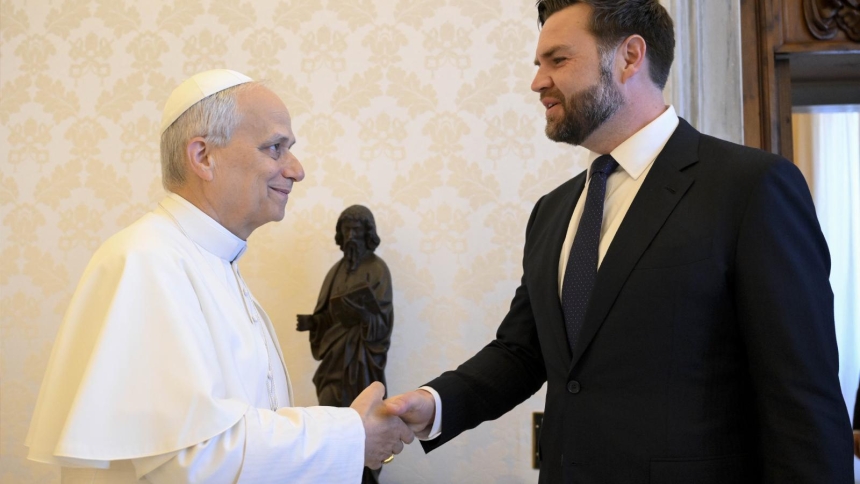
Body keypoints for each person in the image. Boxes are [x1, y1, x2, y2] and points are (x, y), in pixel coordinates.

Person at [386, 1, 853, 483]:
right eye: (538, 64)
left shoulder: (751, 187)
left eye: (558, 60)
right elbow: (523, 351)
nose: (537, 81)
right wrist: (435, 403)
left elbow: (801, 399)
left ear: (630, 57)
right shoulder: (552, 211)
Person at [25, 69, 412, 483]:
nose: (296, 170)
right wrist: (350, 436)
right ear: (203, 157)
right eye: (275, 148)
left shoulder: (211, 261)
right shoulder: (147, 261)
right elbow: (193, 460)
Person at [297, 204, 394, 484]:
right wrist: (313, 323)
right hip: (334, 364)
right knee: (330, 420)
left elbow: (382, 322)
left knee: (364, 428)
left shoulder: (377, 270)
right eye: (346, 229)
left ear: (367, 233)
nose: (351, 235)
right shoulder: (335, 271)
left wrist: (364, 315)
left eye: (357, 229)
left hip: (362, 364)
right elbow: (327, 315)